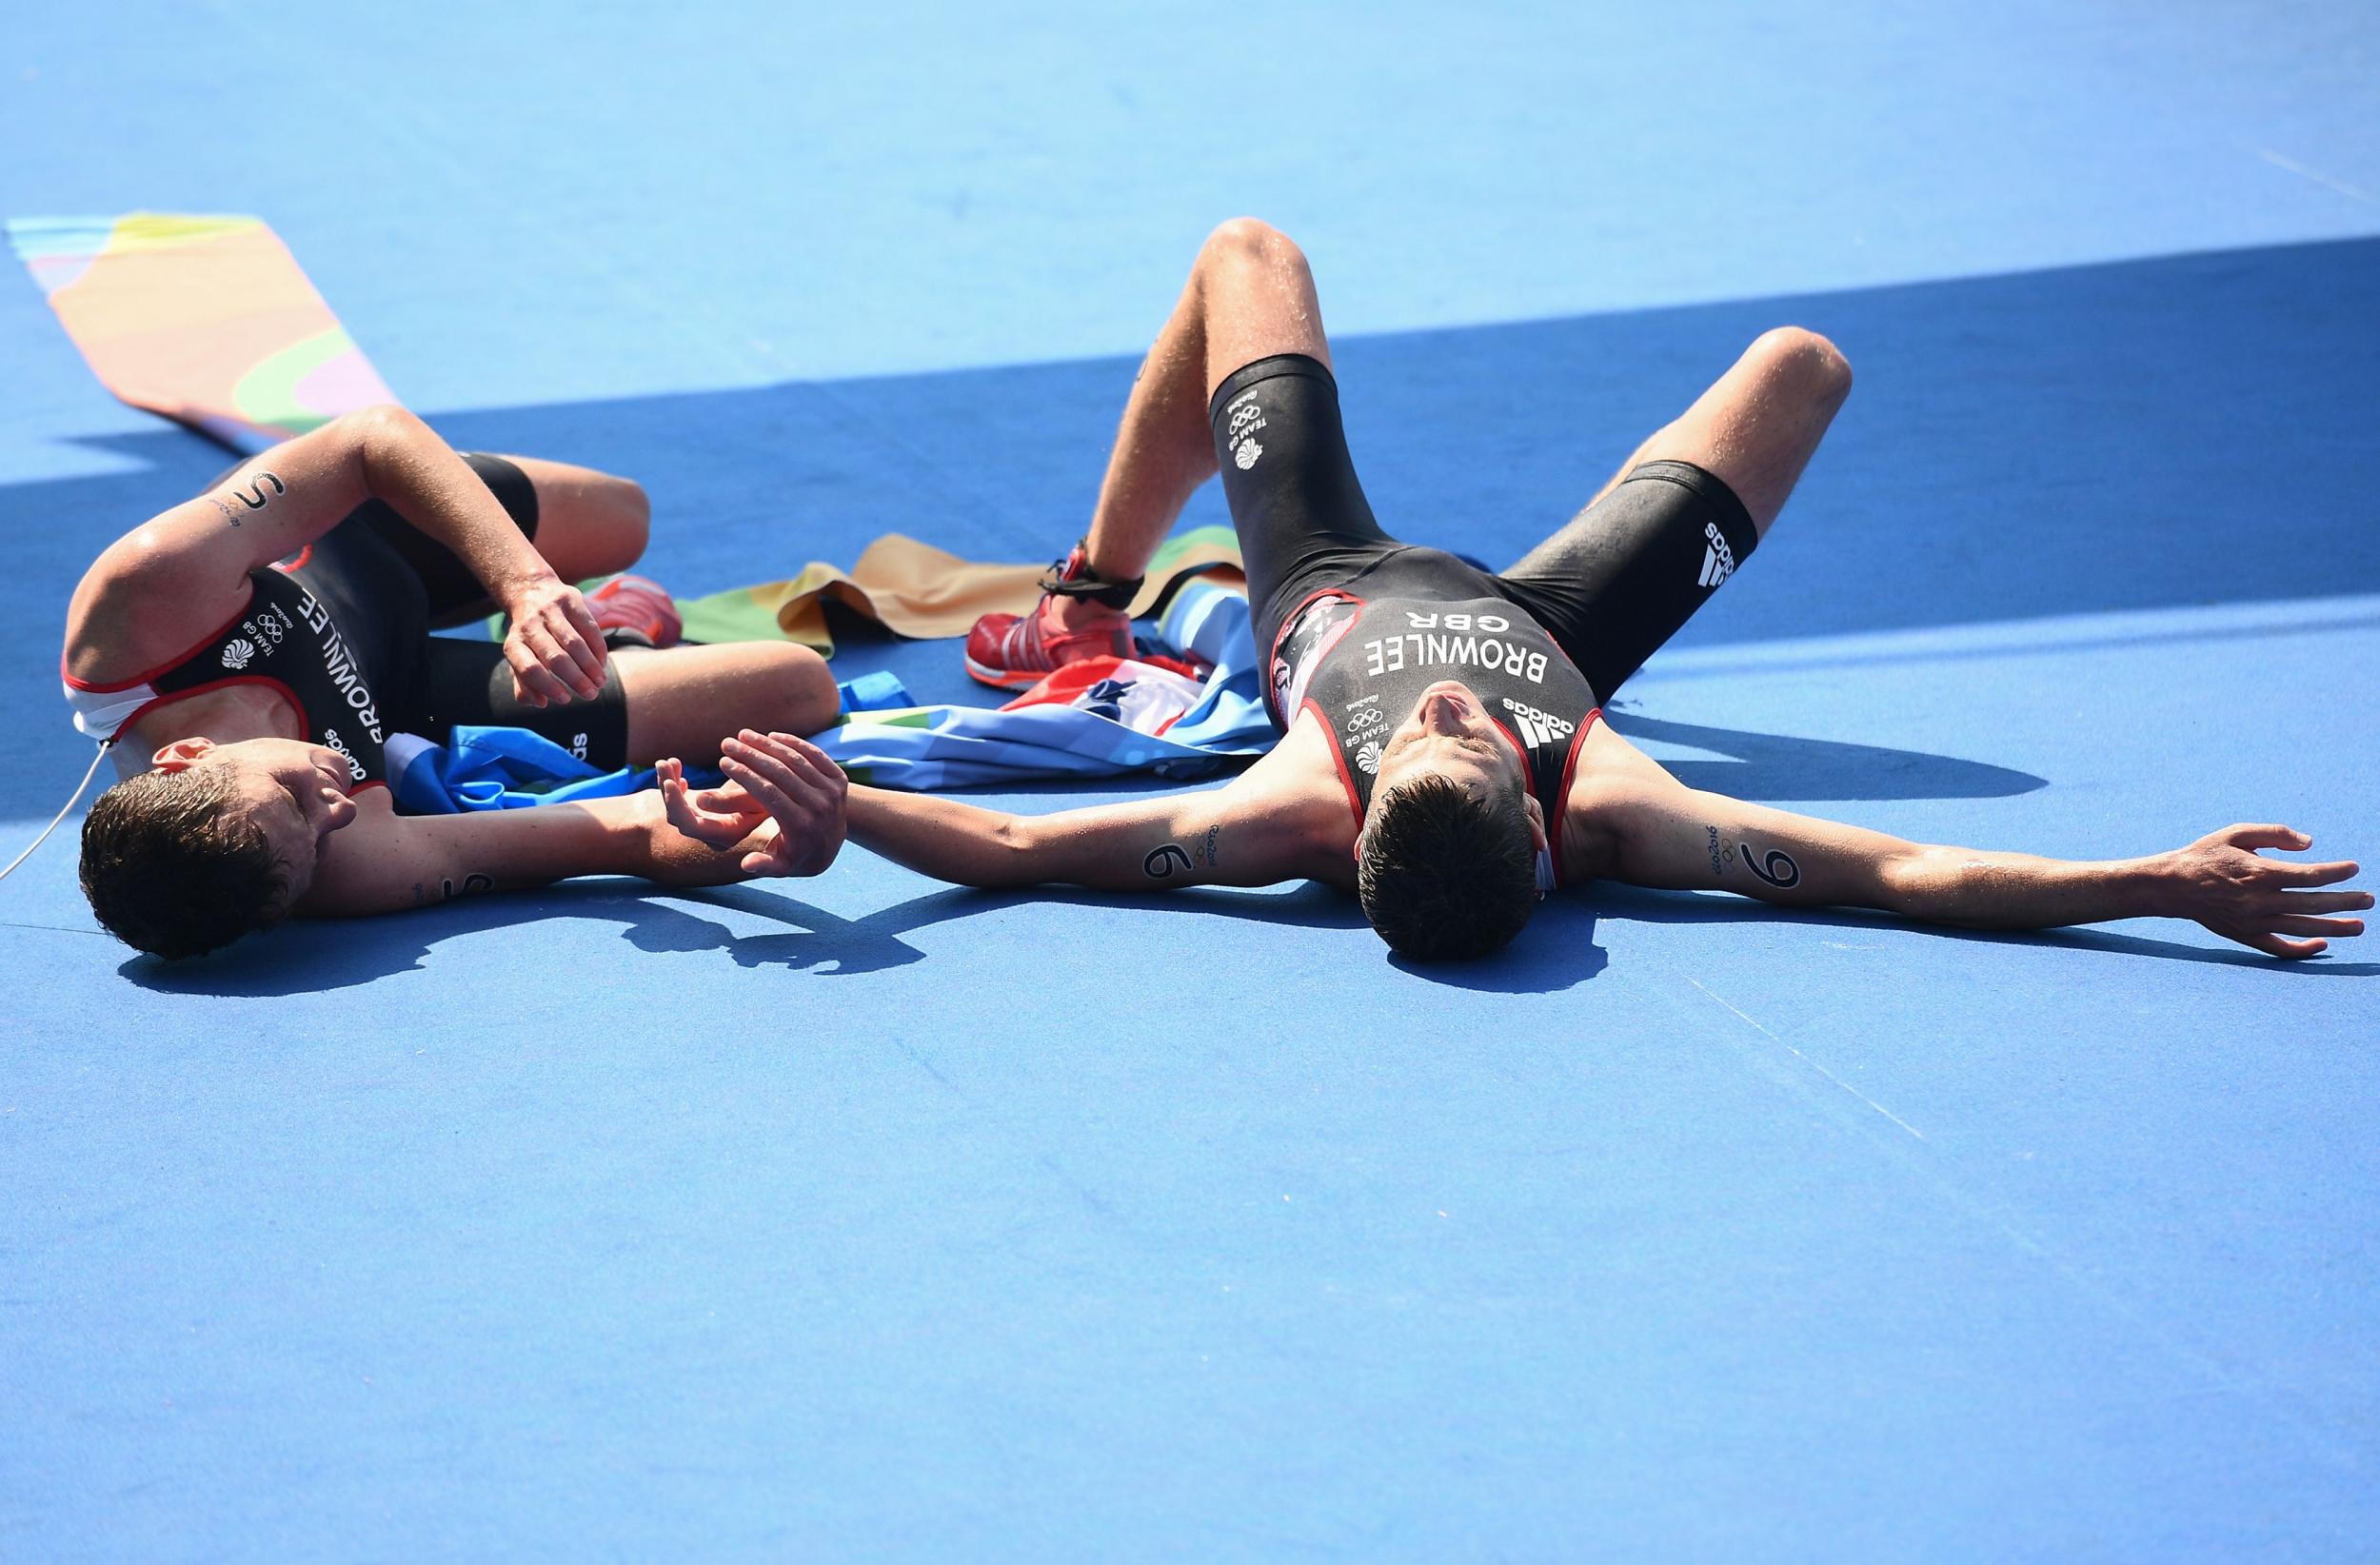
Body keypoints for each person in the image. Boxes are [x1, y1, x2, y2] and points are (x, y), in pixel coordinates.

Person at [667, 220, 2367, 961]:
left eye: (1442, 734)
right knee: (1804, 368)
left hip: (1323, 570)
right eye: (1475, 742)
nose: (1455, 712)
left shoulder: (1294, 808)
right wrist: (2153, 877)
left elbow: (1023, 847)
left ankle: (1097, 592)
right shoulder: (1619, 804)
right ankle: (1112, 579)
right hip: (1573, 617)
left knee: (1248, 256)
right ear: (1545, 831)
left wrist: (850, 814)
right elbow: (1908, 867)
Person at [67, 406, 846, 958]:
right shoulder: (333, 867)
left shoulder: (147, 596)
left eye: (297, 799)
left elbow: (369, 437)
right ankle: (612, 631)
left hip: (360, 534)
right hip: (410, 694)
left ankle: (557, 611)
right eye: (321, 835)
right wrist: (773, 842)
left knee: (624, 519)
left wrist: (527, 586)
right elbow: (630, 834)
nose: (339, 804)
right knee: (794, 687)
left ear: (186, 756)